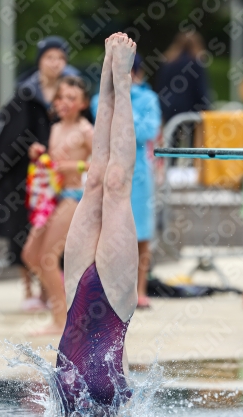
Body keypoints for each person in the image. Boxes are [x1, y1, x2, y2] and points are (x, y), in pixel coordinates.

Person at [56, 33, 138, 417]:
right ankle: (117, 77)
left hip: (78, 296)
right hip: (114, 304)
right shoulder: (118, 413)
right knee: (113, 183)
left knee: (98, 181)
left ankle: (111, 72)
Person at [0, 36, 79, 312]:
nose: (55, 63)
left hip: (61, 176)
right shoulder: (25, 93)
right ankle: (28, 288)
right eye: (49, 58)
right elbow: (10, 137)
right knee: (23, 230)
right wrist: (28, 149)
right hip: (27, 177)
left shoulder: (69, 93)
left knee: (55, 235)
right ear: (40, 60)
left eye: (60, 58)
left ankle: (50, 292)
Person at [22, 76, 93, 335]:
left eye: (72, 98)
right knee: (30, 255)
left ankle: (60, 319)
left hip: (74, 197)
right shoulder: (55, 128)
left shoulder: (86, 131)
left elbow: (104, 164)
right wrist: (40, 156)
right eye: (61, 97)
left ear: (83, 103)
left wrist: (76, 165)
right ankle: (67, 309)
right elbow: (54, 164)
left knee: (47, 258)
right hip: (54, 196)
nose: (64, 102)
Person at [91, 54, 161, 308]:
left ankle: (140, 290)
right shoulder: (99, 99)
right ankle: (111, 291)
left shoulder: (148, 98)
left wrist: (122, 110)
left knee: (141, 234)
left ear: (137, 74)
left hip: (140, 174)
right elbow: (105, 132)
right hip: (110, 172)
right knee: (109, 232)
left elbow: (147, 132)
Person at [155, 31, 210, 125]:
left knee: (171, 136)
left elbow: (161, 86)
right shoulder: (196, 63)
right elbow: (200, 89)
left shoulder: (169, 62)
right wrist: (207, 107)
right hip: (190, 109)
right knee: (190, 138)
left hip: (169, 108)